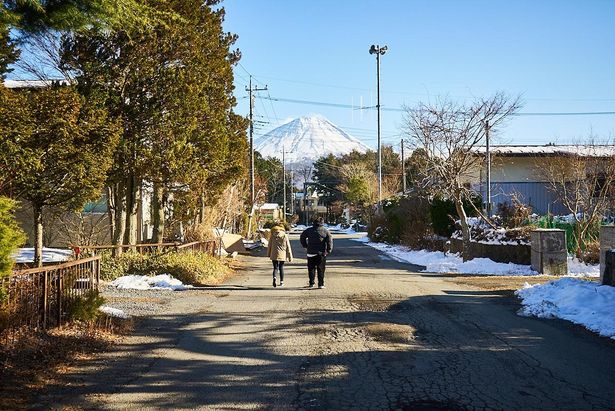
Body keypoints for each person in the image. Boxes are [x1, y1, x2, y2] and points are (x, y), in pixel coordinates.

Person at [299, 217, 333, 289]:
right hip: (321, 253)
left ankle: (311, 283)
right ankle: (321, 284)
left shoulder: (308, 230)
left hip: (310, 252)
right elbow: (329, 241)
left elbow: (302, 237)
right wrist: (328, 250)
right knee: (321, 269)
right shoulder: (325, 231)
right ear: (322, 223)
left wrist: (305, 246)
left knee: (311, 268)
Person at [267, 221, 293, 287]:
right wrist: (290, 256)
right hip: (282, 253)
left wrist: (268, 253)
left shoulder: (272, 235)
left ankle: (274, 277)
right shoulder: (284, 235)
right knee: (281, 267)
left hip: (274, 253)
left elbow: (269, 245)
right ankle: (282, 282)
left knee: (275, 267)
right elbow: (288, 246)